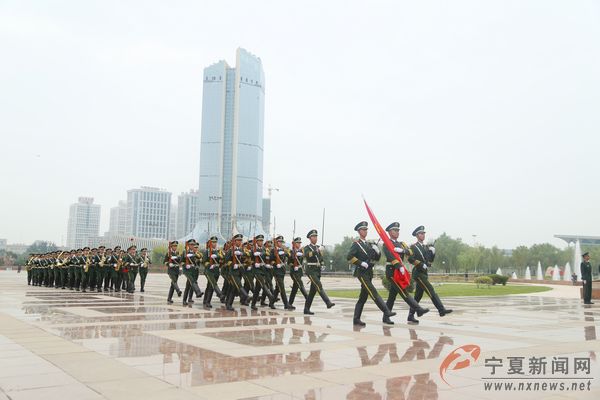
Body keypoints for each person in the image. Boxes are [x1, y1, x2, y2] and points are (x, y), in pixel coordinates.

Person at [347, 221, 396, 326]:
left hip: (369, 272)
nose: (365, 231)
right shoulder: (356, 244)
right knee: (373, 291)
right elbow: (349, 257)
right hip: (361, 272)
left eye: (366, 230)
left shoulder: (369, 245)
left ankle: (356, 319)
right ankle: (386, 311)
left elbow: (376, 258)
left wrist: (377, 251)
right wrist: (360, 263)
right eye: (363, 230)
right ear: (359, 231)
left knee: (363, 297)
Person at [382, 222, 429, 325]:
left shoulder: (401, 244)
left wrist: (402, 251)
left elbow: (411, 252)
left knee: (392, 296)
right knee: (403, 292)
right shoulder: (387, 243)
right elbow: (390, 256)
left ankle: (386, 316)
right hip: (392, 271)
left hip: (400, 271)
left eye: (398, 230)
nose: (397, 232)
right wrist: (398, 265)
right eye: (395, 230)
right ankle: (418, 309)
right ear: (390, 232)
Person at [407, 226, 453, 324]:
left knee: (417, 297)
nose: (423, 235)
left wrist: (432, 252)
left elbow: (429, 261)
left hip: (424, 273)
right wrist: (420, 264)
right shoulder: (413, 247)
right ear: (416, 235)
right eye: (421, 233)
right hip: (418, 273)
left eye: (424, 233)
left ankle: (410, 316)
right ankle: (441, 310)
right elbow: (410, 259)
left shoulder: (425, 247)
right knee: (430, 290)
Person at [303, 229, 335, 315]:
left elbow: (320, 258)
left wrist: (323, 264)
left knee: (313, 291)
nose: (315, 238)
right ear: (310, 238)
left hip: (317, 270)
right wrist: (316, 251)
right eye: (313, 236)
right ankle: (328, 302)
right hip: (310, 270)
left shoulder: (318, 247)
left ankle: (306, 309)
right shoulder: (307, 247)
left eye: (316, 236)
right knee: (319, 285)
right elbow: (307, 255)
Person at [203, 236, 223, 309]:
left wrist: (217, 256)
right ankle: (209, 301)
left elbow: (222, 259)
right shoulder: (207, 251)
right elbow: (204, 262)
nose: (214, 244)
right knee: (212, 285)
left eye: (215, 242)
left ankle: (205, 300)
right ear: (210, 243)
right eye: (213, 242)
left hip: (216, 271)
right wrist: (209, 265)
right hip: (209, 271)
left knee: (209, 286)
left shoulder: (218, 251)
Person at [288, 237, 308, 310]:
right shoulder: (291, 251)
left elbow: (305, 255)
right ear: (294, 243)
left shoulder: (301, 251)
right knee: (300, 284)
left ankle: (289, 303)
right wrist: (294, 264)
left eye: (300, 243)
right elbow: (289, 262)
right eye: (298, 243)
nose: (299, 244)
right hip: (294, 272)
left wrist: (301, 254)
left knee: (295, 289)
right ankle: (308, 298)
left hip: (299, 271)